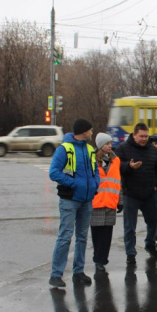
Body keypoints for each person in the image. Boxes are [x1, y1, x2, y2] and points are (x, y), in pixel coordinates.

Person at [48, 118, 99, 288]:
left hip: (86, 200)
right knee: (65, 236)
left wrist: (94, 184)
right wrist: (74, 183)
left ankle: (78, 272)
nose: (92, 132)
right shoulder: (65, 149)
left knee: (82, 237)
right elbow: (54, 172)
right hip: (70, 200)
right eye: (90, 130)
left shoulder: (90, 149)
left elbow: (95, 171)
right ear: (83, 131)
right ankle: (56, 274)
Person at [115, 123, 157, 265]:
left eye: (146, 136)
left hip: (149, 193)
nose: (144, 139)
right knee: (130, 226)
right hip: (131, 193)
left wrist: (156, 185)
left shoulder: (152, 150)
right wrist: (128, 166)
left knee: (154, 221)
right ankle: (130, 253)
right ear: (134, 135)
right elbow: (116, 167)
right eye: (141, 136)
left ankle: (150, 243)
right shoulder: (123, 149)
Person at [90, 133, 123, 273]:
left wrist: (120, 201)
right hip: (95, 202)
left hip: (110, 202)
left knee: (107, 234)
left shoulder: (116, 161)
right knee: (97, 234)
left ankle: (102, 259)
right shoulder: (92, 160)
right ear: (99, 146)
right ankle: (98, 258)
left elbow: (118, 182)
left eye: (110, 143)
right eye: (106, 143)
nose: (110, 146)